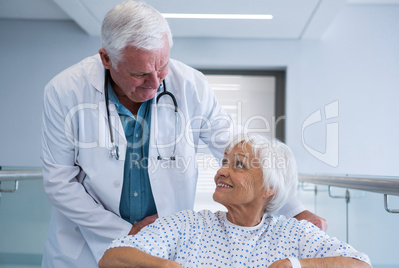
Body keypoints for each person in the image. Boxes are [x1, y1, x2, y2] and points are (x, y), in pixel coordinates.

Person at [40, 1, 326, 267]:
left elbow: (240, 149)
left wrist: (294, 209)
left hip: (164, 244)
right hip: (87, 245)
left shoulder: (190, 84)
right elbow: (59, 181)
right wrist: (125, 231)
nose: (154, 83)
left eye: (162, 66)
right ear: (106, 59)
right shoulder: (65, 91)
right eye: (140, 74)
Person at [99, 134, 371, 268]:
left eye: (239, 165)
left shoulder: (293, 233)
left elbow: (361, 264)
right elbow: (111, 258)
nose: (221, 171)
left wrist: (293, 264)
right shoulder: (187, 225)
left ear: (268, 187)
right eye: (224, 162)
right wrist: (168, 266)